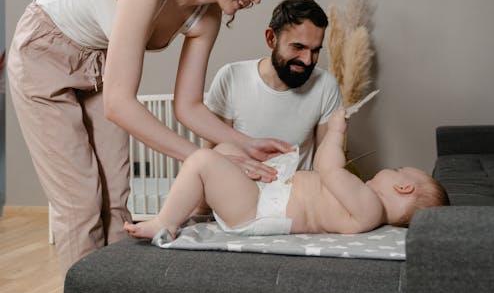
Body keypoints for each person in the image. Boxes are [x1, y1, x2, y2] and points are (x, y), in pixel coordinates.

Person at [7, 0, 289, 271]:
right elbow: (119, 105)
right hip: (42, 53)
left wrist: (244, 145)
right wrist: (206, 159)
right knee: (80, 202)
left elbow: (188, 106)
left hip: (96, 62)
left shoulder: (207, 16)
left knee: (115, 199)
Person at [125, 108, 450, 241]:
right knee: (226, 152)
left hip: (260, 211)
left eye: (396, 171)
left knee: (201, 159)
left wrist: (337, 131)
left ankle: (165, 221)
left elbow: (328, 167)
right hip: (265, 198)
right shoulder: (367, 205)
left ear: (404, 187)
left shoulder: (371, 208)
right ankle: (201, 207)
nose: (388, 170)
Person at [205, 0, 343, 176]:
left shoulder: (326, 86)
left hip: (297, 196)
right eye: (298, 47)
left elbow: (325, 166)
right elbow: (211, 158)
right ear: (271, 39)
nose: (308, 60)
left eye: (315, 50)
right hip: (241, 191)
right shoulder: (231, 77)